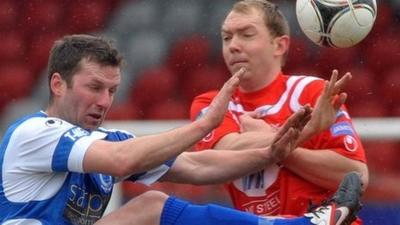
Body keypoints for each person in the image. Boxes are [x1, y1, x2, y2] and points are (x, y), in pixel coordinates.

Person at [0, 34, 362, 225]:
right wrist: (205, 124)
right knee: (149, 209)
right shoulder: (34, 132)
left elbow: (198, 166)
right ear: (57, 84)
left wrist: (270, 153)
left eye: (112, 90)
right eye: (94, 88)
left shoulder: (103, 141)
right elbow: (121, 160)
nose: (105, 101)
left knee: (154, 206)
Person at [190, 0, 368, 224]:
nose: (233, 45)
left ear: (280, 45)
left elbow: (357, 176)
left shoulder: (313, 93)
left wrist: (271, 142)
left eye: (246, 35)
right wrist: (298, 135)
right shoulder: (211, 103)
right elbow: (224, 152)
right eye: (227, 37)